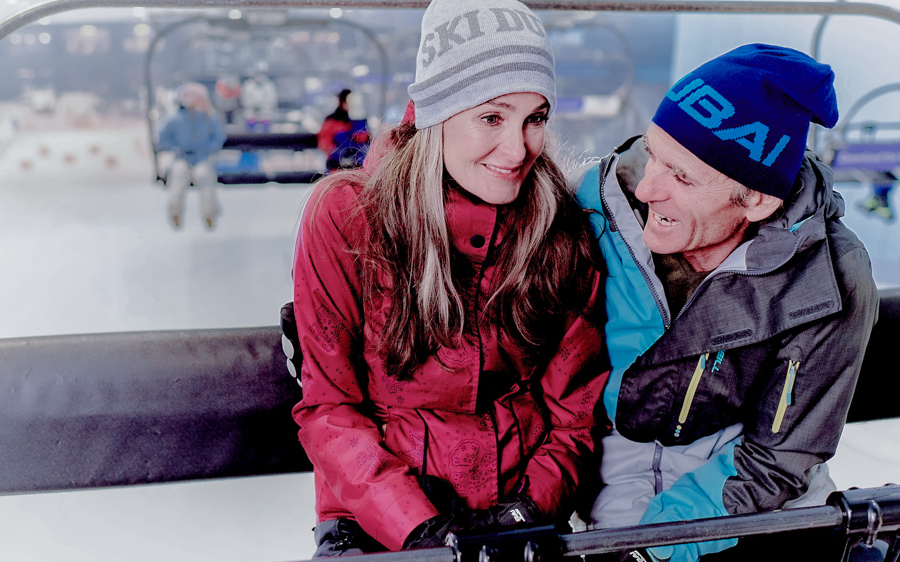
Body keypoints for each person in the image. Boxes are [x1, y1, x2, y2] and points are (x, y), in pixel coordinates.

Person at [288, 0, 610, 556]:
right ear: (436, 111)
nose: (517, 150)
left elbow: (574, 414)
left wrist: (530, 508)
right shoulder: (349, 217)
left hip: (518, 511)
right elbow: (330, 409)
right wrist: (420, 530)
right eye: (492, 117)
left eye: (535, 118)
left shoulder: (558, 229)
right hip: (380, 518)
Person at [572, 44, 879, 562]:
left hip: (753, 520)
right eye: (651, 153)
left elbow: (777, 460)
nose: (648, 187)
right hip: (602, 514)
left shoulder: (827, 277)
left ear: (757, 199)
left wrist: (652, 550)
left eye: (682, 177)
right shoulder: (593, 215)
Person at [157, 82, 226, 229]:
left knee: (204, 175)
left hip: (202, 157)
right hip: (182, 157)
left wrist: (208, 148)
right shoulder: (175, 118)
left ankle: (209, 214)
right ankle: (175, 212)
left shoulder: (208, 117)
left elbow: (218, 137)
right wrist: (174, 147)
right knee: (178, 175)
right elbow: (161, 136)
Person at [240, 66, 278, 132]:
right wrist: (254, 105)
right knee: (249, 116)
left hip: (265, 109)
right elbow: (245, 100)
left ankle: (267, 136)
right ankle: (250, 136)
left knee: (267, 116)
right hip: (252, 109)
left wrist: (262, 106)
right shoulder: (248, 85)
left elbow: (272, 100)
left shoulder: (269, 85)